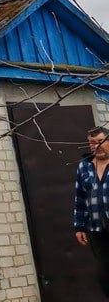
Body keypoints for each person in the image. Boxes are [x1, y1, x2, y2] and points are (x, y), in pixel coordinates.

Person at [75, 125, 109, 297]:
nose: (96, 146)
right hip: (97, 229)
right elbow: (80, 197)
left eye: (100, 141)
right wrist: (79, 226)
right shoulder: (84, 166)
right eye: (92, 143)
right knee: (104, 274)